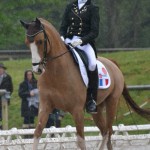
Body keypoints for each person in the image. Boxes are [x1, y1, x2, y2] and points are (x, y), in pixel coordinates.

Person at [59, 0, 100, 114]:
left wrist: (82, 40)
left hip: (85, 43)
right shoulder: (70, 6)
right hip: (68, 40)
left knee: (92, 64)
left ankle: (91, 99)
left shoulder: (93, 8)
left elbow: (94, 32)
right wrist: (62, 37)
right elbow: (63, 26)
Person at [0, 63, 13, 129]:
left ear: (3, 69)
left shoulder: (8, 77)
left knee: (3, 116)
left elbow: (11, 89)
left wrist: (6, 94)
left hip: (4, 100)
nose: (0, 70)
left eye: (1, 68)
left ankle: (4, 129)